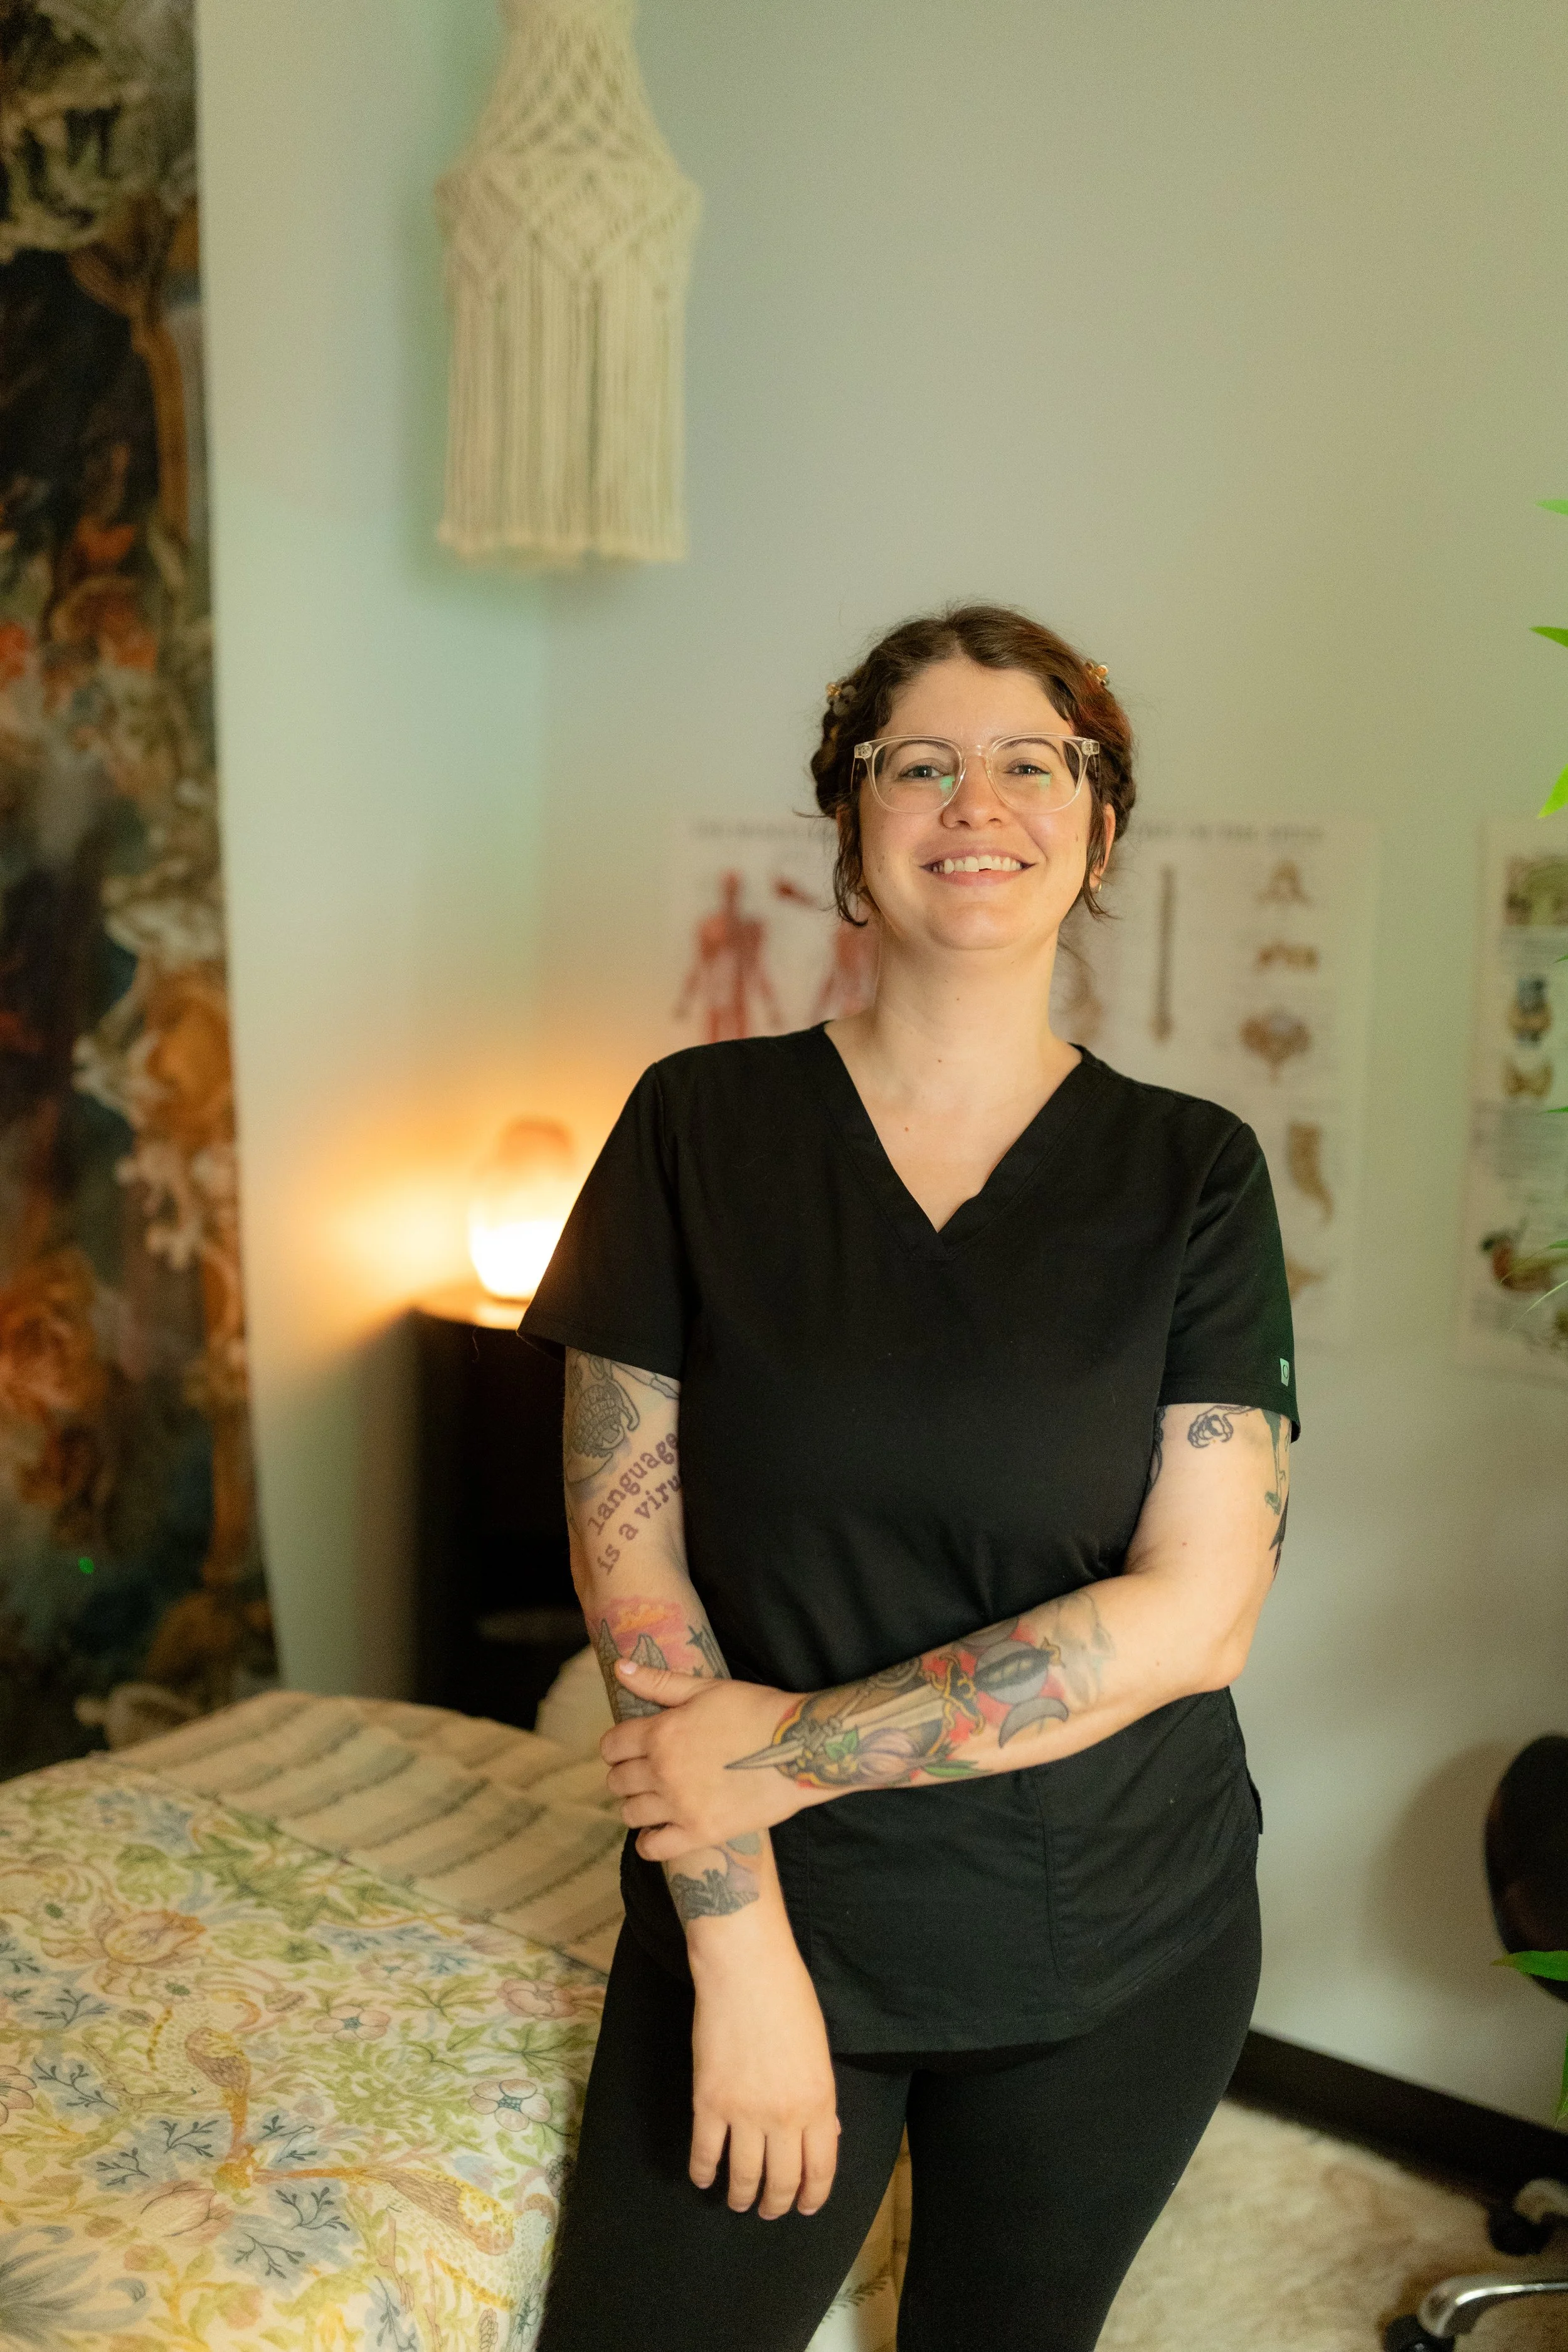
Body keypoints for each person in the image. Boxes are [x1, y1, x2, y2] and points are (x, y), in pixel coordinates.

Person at [522, 603, 1297, 2352]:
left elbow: (1198, 1615)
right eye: (921, 763)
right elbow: (630, 1562)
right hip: (765, 1899)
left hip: (1116, 1928)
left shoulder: (1193, 1174)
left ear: (1098, 828)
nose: (979, 801)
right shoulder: (696, 1126)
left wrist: (783, 1751)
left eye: (1034, 763)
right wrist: (738, 1950)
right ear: (851, 823)